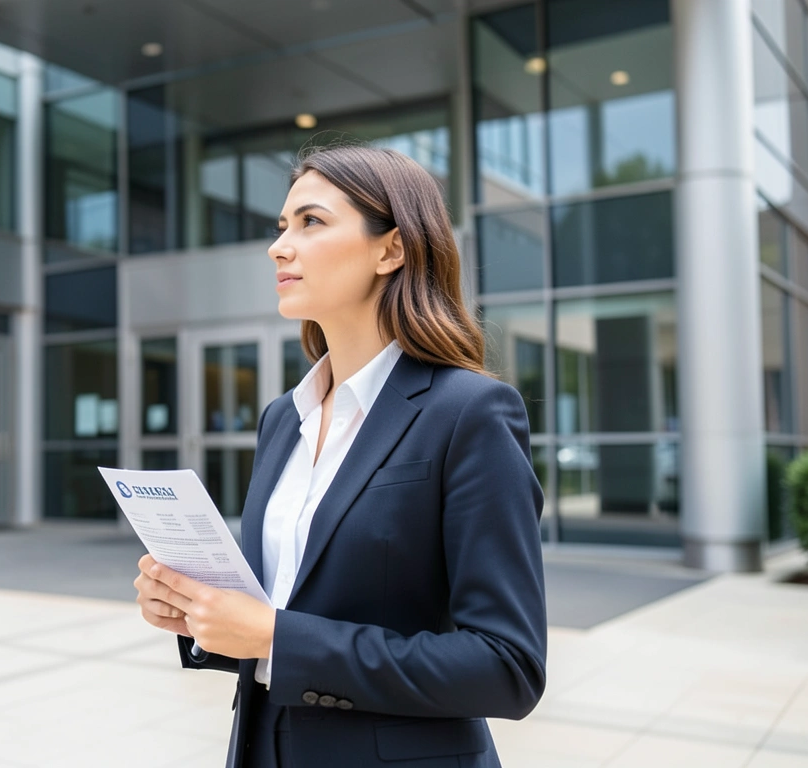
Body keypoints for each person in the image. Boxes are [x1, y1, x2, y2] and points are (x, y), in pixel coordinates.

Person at [132, 144, 546, 768]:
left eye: (311, 221)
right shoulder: (283, 419)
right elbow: (280, 611)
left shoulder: (470, 413)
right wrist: (202, 619)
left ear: (391, 249)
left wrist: (275, 636)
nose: (279, 246)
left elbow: (506, 666)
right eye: (281, 228)